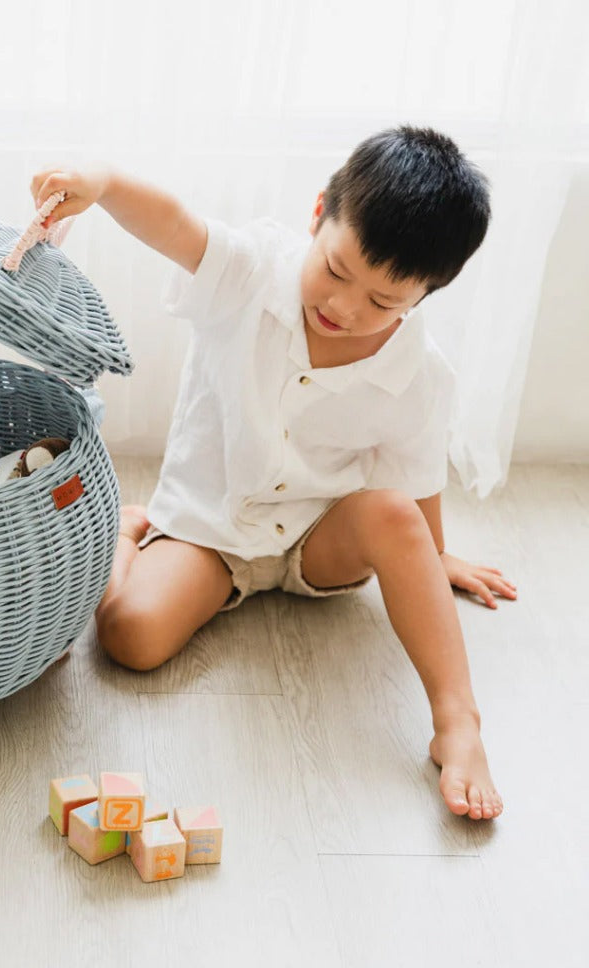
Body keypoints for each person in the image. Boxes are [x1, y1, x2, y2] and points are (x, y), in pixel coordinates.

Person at [31, 125, 516, 821]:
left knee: (392, 515)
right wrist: (102, 181)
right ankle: (130, 531)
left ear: (424, 297)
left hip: (321, 539)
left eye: (384, 303)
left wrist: (432, 560)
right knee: (129, 638)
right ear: (319, 213)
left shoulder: (421, 374)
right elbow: (174, 224)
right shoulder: (252, 269)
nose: (347, 308)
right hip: (212, 528)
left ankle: (458, 722)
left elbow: (415, 482)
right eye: (337, 270)